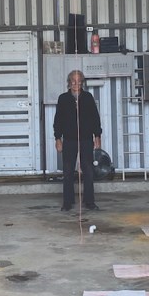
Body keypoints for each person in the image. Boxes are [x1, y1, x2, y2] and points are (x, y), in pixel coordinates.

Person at [53, 69, 103, 211]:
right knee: (68, 171)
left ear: (82, 83)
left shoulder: (88, 97)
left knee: (88, 170)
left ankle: (89, 202)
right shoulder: (63, 98)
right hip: (69, 140)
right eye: (73, 81)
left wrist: (97, 136)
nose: (76, 84)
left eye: (79, 81)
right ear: (69, 83)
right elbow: (58, 120)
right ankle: (67, 202)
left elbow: (95, 118)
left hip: (86, 139)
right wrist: (58, 138)